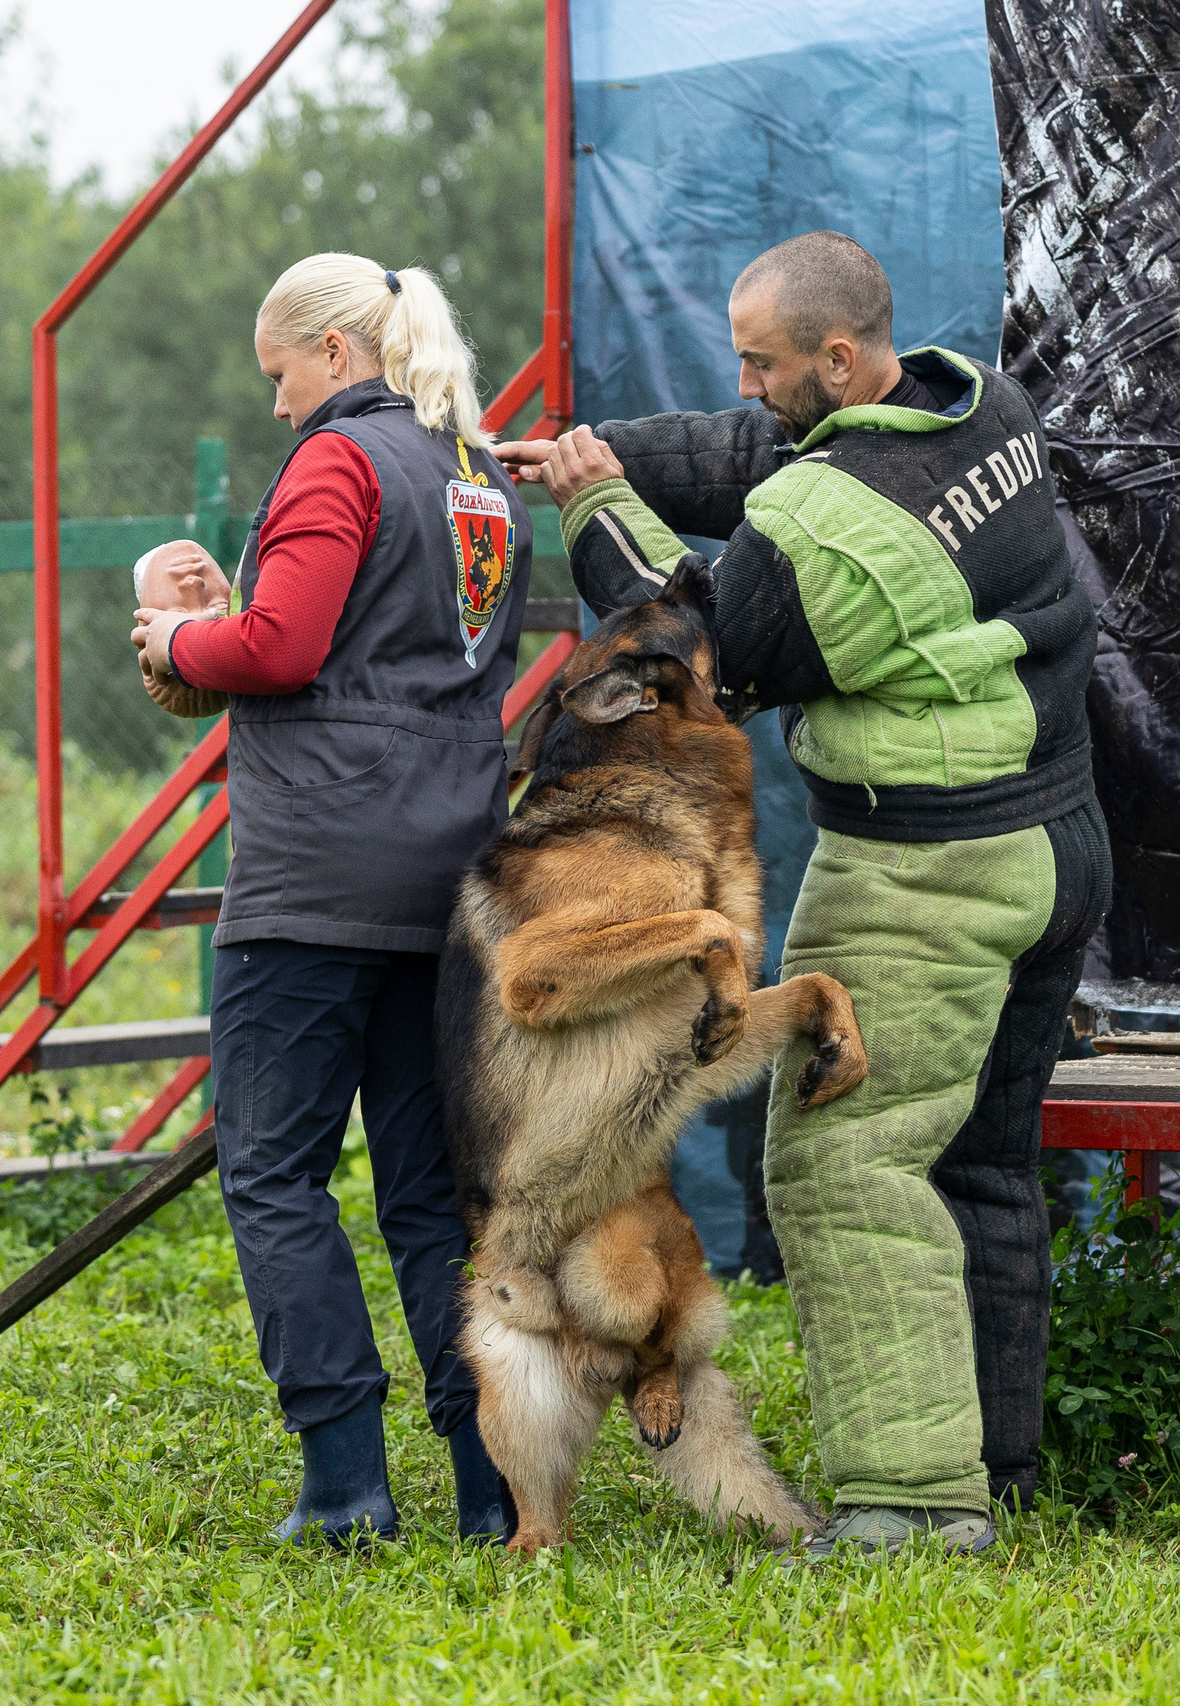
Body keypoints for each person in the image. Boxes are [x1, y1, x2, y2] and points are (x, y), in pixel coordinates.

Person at [496, 230, 1111, 1562]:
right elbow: (753, 458)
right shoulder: (969, 399)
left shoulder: (828, 529)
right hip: (1060, 842)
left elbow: (692, 651)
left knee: (843, 1161)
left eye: (764, 362)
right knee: (979, 1164)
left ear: (837, 359)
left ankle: (913, 1502)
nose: (747, 382)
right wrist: (600, 452)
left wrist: (596, 511)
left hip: (932, 873)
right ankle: (995, 1468)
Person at [132, 252, 531, 1548]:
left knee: (275, 1170)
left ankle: (347, 1484)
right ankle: (491, 1483)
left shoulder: (338, 459)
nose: (276, 404)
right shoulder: (478, 471)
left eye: (280, 374)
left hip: (314, 880)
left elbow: (286, 647)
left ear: (338, 355)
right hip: (450, 870)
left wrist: (180, 642)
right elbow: (396, 655)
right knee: (427, 1190)